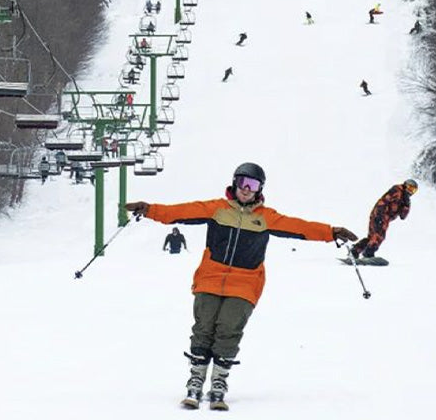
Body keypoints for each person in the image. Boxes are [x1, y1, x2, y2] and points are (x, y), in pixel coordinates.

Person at [123, 163, 358, 410]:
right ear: (234, 183)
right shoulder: (216, 209)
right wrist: (148, 209)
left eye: (253, 185)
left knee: (228, 329)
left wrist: (331, 232)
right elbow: (178, 212)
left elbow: (300, 227)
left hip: (245, 282)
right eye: (243, 183)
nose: (246, 189)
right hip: (210, 277)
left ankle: (218, 382)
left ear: (260, 190)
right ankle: (196, 379)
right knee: (204, 327)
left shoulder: (266, 218)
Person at [351, 179, 417, 259]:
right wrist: (380, 214)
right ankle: (369, 253)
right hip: (380, 214)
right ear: (405, 185)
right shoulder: (397, 190)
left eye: (413, 190)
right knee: (379, 236)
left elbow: (403, 217)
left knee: (372, 237)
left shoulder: (405, 200)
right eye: (409, 188)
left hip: (384, 217)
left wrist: (406, 205)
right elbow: (384, 201)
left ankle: (355, 251)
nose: (410, 191)